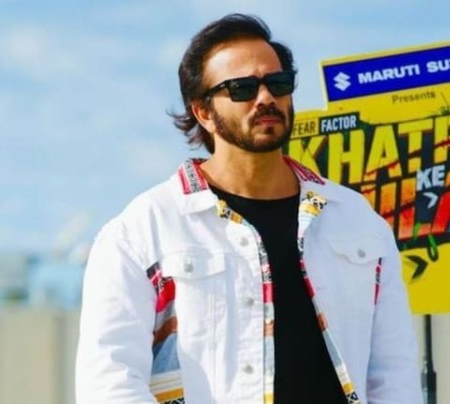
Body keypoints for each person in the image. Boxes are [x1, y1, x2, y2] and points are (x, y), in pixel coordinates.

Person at [76, 13, 423, 404]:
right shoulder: (142, 232)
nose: (265, 98)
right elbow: (109, 384)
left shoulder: (355, 219)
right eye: (242, 88)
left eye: (278, 83)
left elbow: (394, 375)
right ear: (203, 112)